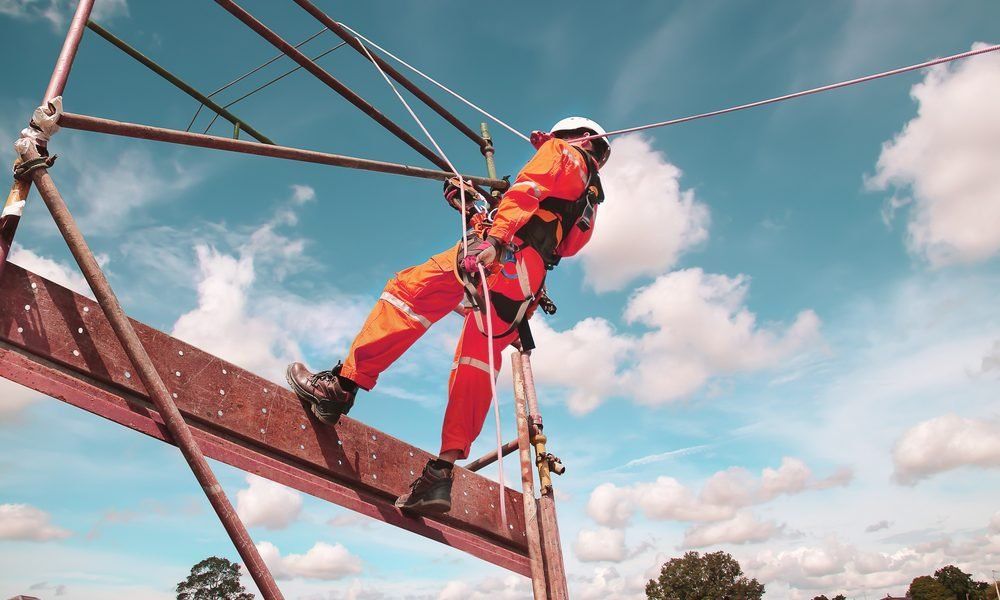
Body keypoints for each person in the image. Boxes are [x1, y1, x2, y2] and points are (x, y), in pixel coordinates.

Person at [287, 117, 611, 513]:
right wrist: (473, 208)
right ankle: (441, 473)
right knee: (474, 366)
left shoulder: (562, 153)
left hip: (501, 259)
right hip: (524, 286)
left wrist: (491, 239)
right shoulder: (587, 202)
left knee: (408, 295)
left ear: (576, 137)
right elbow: (538, 228)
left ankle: (340, 387)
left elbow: (526, 193)